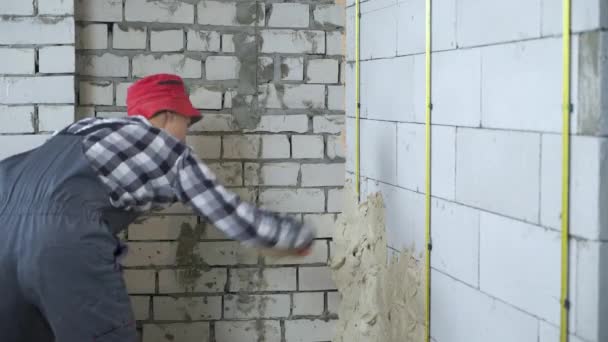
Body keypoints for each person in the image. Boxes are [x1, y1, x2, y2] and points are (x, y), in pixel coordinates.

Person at [0, 73, 315, 341]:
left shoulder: (82, 129)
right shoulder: (163, 146)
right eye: (185, 123)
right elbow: (227, 212)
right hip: (62, 244)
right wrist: (290, 237)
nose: (185, 135)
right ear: (168, 115)